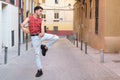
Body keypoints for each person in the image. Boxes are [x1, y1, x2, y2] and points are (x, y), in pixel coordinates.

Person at [21, 6, 59, 77]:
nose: (41, 12)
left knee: (56, 37)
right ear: (36, 11)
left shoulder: (41, 20)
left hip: (41, 35)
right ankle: (40, 70)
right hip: (35, 38)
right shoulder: (29, 18)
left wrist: (42, 33)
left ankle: (45, 47)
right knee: (37, 54)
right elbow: (22, 25)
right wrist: (23, 28)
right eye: (40, 11)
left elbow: (42, 29)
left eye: (41, 11)